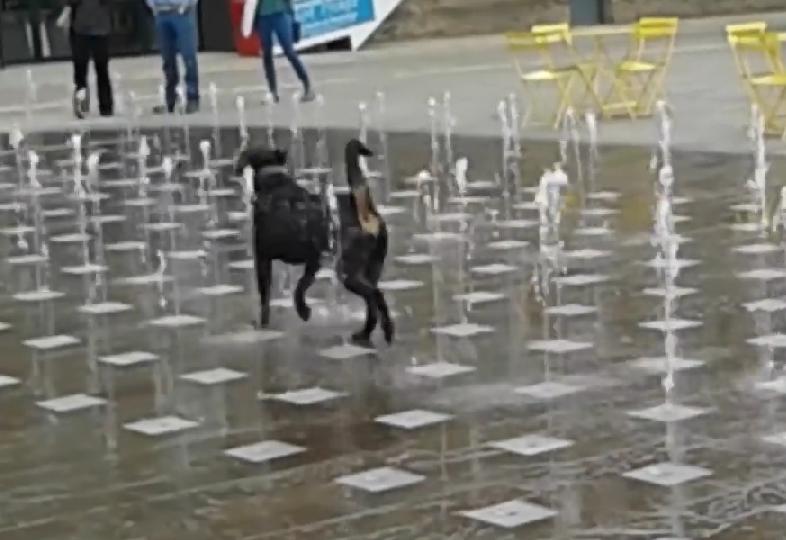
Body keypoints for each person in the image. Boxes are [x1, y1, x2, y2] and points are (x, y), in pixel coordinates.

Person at [56, 0, 113, 118]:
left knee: (102, 69)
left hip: (100, 28)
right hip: (80, 29)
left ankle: (106, 107)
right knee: (80, 70)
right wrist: (65, 14)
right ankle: (82, 106)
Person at [254, 0, 314, 103]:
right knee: (266, 54)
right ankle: (273, 92)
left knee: (288, 50)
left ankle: (307, 86)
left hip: (281, 11)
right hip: (262, 14)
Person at [147, 0, 200, 114]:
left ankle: (192, 98)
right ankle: (170, 100)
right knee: (167, 59)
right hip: (161, 13)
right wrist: (152, 5)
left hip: (182, 13)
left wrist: (186, 5)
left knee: (188, 56)